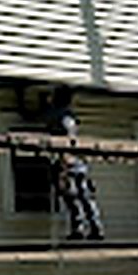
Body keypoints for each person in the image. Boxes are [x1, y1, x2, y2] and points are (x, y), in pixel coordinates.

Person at [45, 88, 104, 241]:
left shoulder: (61, 116)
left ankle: (82, 228)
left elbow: (65, 137)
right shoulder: (68, 115)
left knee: (74, 196)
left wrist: (64, 161)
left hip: (68, 160)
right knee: (83, 196)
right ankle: (94, 227)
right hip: (77, 160)